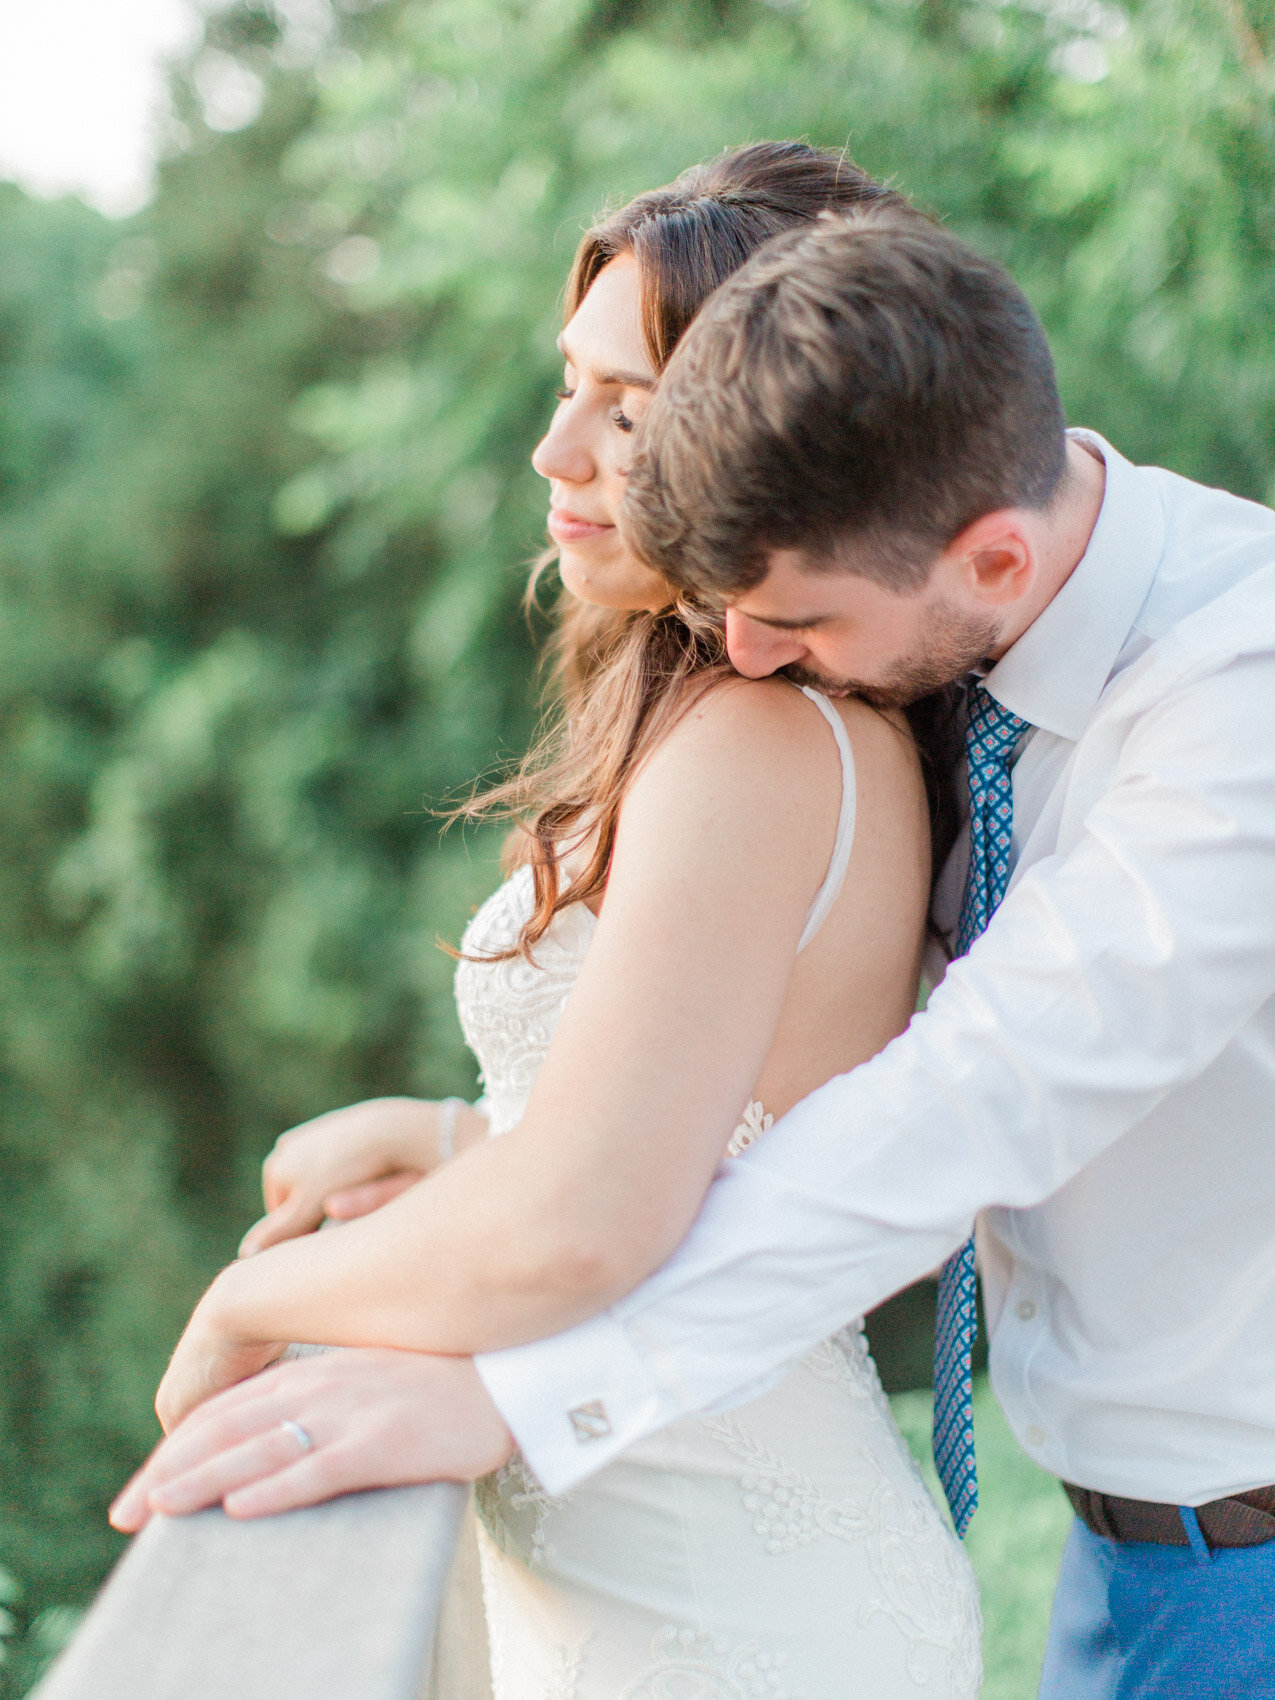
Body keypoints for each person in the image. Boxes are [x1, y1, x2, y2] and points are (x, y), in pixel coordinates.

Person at [115, 184, 1275, 1699]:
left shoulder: (1230, 700)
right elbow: (792, 1069)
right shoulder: (950, 598)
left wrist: (523, 1391)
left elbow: (970, 1099)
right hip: (1127, 1529)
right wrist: (492, 1142)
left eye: (798, 620)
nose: (749, 648)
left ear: (993, 562)